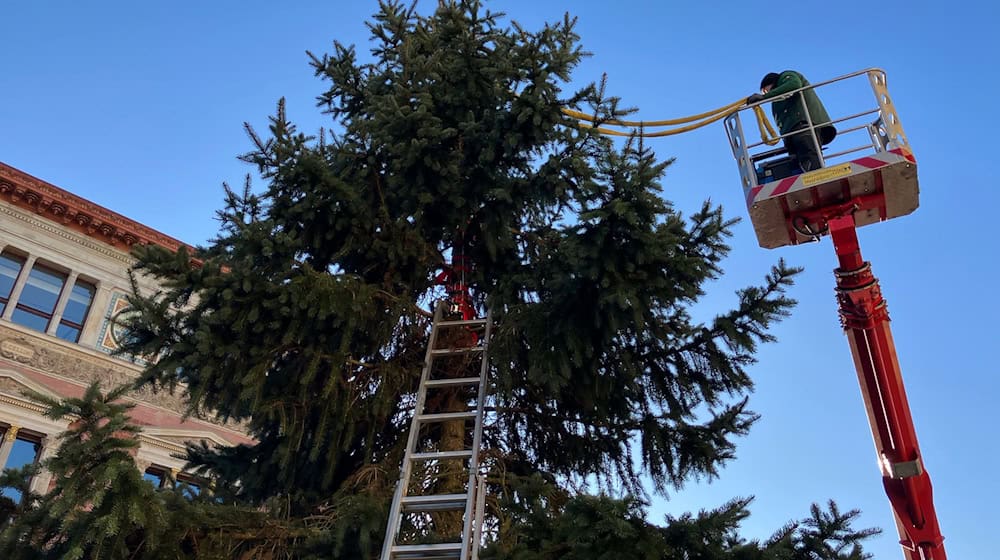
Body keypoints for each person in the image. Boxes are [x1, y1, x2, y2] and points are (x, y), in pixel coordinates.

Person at [747, 71, 836, 173]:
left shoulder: (786, 77)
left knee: (809, 154)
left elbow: (794, 85)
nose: (765, 93)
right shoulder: (777, 100)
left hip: (803, 125)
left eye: (764, 90)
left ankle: (818, 175)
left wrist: (764, 97)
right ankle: (812, 173)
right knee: (799, 161)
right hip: (793, 133)